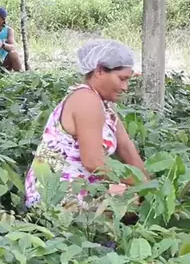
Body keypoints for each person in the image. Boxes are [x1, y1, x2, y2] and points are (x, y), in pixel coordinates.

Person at [24, 39, 148, 209]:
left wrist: (148, 183)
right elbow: (93, 162)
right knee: (131, 201)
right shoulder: (86, 100)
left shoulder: (106, 106)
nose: (125, 87)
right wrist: (140, 184)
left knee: (136, 197)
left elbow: (126, 147)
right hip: (56, 195)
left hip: (83, 187)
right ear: (99, 71)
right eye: (122, 79)